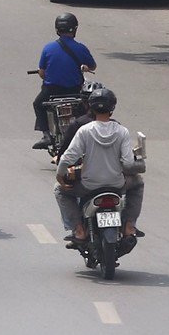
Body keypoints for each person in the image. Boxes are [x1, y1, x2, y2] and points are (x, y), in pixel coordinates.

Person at [56, 87, 143, 248]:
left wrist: (60, 175)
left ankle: (79, 230)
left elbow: (68, 157)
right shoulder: (121, 131)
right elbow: (128, 163)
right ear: (112, 108)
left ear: (90, 107)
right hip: (117, 184)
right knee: (138, 184)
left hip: (89, 186)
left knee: (60, 190)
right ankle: (129, 226)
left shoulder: (84, 130)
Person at [32, 12, 97, 148]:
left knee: (38, 104)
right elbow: (92, 66)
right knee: (84, 108)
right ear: (75, 29)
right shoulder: (81, 48)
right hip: (74, 90)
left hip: (51, 91)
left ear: (57, 29)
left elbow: (42, 73)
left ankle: (46, 135)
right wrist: (85, 67)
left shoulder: (48, 48)